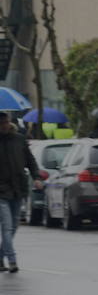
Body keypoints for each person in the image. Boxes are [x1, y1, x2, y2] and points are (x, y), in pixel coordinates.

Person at [0, 113, 42, 273]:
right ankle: (12, 260)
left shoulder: (19, 139)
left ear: (9, 123)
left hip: (18, 189)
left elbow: (30, 161)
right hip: (1, 192)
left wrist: (36, 177)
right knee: (7, 226)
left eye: (5, 122)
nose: (3, 126)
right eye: (0, 123)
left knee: (14, 227)